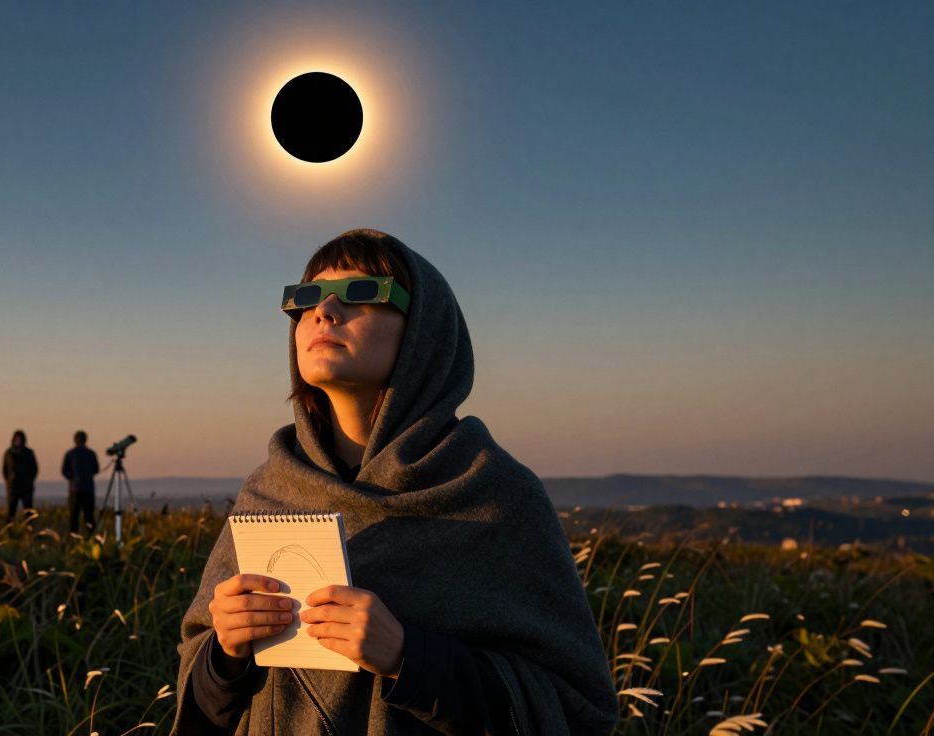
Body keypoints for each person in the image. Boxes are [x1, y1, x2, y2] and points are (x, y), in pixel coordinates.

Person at [171, 229, 618, 735]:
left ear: (425, 333)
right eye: (306, 299)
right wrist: (225, 654)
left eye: (362, 293)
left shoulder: (494, 494)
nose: (325, 311)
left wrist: (410, 658)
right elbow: (202, 704)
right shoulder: (269, 491)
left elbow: (577, 708)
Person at [62, 430, 100, 534]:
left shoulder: (70, 454)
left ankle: (74, 537)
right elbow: (96, 469)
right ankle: (90, 536)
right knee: (89, 517)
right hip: (87, 489)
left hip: (75, 490)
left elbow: (64, 471)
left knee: (74, 517)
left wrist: (72, 477)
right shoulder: (91, 454)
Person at [2, 429, 39, 523]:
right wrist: (9, 481)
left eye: (20, 439)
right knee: (11, 512)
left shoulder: (29, 453)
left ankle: (29, 531)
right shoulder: (8, 453)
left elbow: (34, 469)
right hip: (13, 487)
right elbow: (5, 470)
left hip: (26, 487)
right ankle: (9, 532)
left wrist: (29, 480)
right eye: (16, 439)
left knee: (28, 512)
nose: (18, 441)